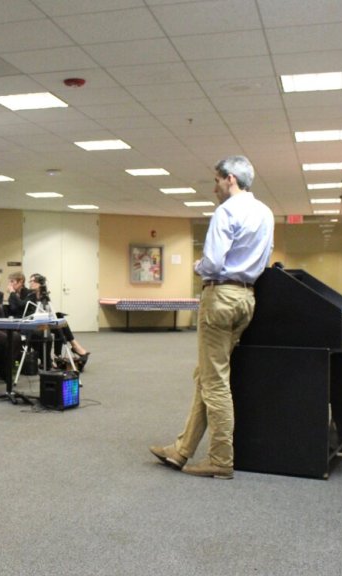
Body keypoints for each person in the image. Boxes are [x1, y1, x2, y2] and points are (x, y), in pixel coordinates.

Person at [150, 155, 274, 479]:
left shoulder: (226, 212)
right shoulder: (265, 212)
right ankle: (182, 450)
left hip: (220, 297)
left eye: (217, 180)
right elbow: (265, 257)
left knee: (215, 382)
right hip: (246, 298)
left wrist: (197, 266)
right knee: (206, 376)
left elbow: (214, 263)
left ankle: (220, 460)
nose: (215, 187)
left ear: (230, 178)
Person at [26, 273, 90, 371]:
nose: (30, 284)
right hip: (35, 325)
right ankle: (74, 347)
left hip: (44, 322)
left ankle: (60, 354)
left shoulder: (44, 296)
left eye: (32, 281)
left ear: (39, 284)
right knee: (59, 324)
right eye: (29, 281)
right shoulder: (30, 295)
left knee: (59, 317)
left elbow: (47, 311)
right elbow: (30, 312)